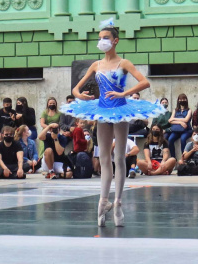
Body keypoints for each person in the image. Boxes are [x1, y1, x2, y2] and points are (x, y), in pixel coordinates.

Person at [63, 24, 164, 227]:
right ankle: (103, 201)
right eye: (100, 37)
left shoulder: (123, 62)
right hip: (102, 110)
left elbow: (144, 82)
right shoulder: (96, 65)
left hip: (120, 110)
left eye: (106, 37)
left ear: (115, 41)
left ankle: (117, 202)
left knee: (119, 157)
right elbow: (75, 88)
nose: (102, 41)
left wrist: (123, 94)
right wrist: (79, 95)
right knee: (104, 157)